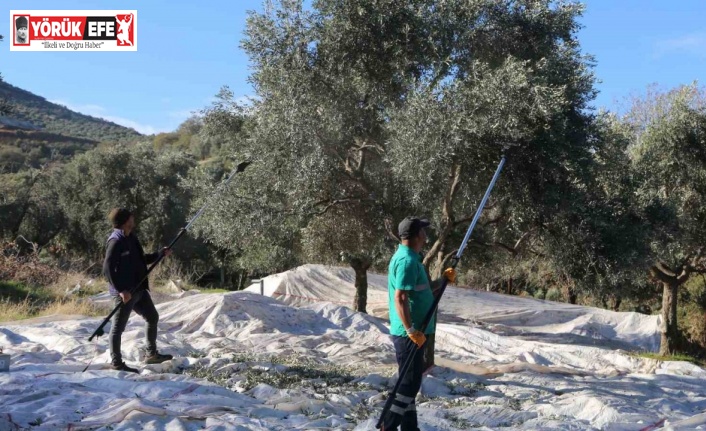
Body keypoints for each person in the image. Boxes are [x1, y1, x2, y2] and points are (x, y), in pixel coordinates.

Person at [380, 216, 456, 431]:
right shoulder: (407, 261)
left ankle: (410, 428)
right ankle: (388, 425)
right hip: (409, 334)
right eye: (423, 230)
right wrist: (410, 330)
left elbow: (422, 290)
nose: (426, 234)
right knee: (409, 384)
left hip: (416, 332)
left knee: (410, 384)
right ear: (416, 236)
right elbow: (401, 297)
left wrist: (443, 281)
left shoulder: (412, 258)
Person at [103, 208, 173, 373]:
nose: (134, 219)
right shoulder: (115, 241)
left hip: (139, 289)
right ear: (125, 221)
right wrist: (121, 290)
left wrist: (159, 254)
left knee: (152, 317)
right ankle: (117, 363)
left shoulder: (132, 238)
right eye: (131, 217)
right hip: (125, 293)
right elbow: (107, 269)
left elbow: (142, 260)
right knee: (118, 328)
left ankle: (151, 354)